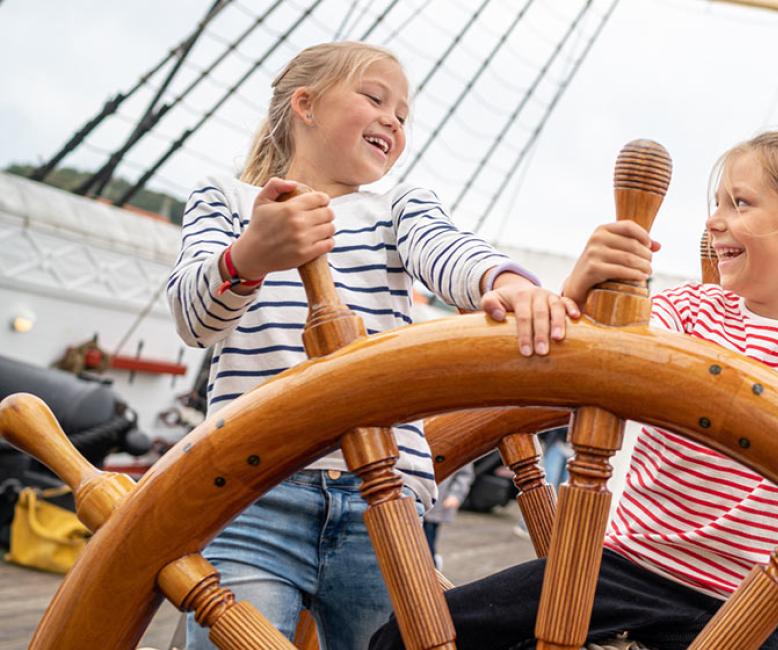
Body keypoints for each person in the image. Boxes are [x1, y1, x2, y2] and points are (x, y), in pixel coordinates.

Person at [370, 130, 778, 650]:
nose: (715, 220)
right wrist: (583, 286)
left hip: (750, 613)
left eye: (740, 203)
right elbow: (596, 352)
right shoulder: (692, 311)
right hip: (615, 573)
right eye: (715, 203)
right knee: (403, 637)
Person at [165, 41, 575, 648]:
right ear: (305, 104)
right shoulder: (227, 201)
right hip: (253, 494)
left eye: (403, 116)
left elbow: (448, 249)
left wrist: (506, 282)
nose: (393, 120)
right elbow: (194, 320)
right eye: (374, 98)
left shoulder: (397, 207)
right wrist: (251, 253)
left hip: (381, 501)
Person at [424, 461, 476, 569]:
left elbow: (465, 474)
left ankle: (432, 568)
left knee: (427, 543)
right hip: (417, 502)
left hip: (436, 506)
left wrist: (455, 495)